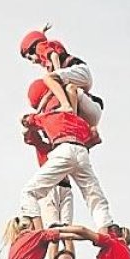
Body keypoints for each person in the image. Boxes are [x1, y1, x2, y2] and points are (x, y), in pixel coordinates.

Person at [19, 106, 114, 231]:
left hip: (63, 149)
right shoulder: (80, 121)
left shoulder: (48, 116)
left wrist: (31, 117)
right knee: (94, 195)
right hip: (81, 151)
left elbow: (26, 121)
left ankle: (38, 231)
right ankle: (106, 227)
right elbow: (95, 138)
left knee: (28, 191)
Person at [25, 78, 74, 235]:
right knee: (53, 229)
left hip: (66, 186)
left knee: (67, 229)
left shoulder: (63, 145)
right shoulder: (43, 145)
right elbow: (29, 133)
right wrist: (39, 116)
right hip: (51, 187)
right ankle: (54, 258)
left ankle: (68, 258)